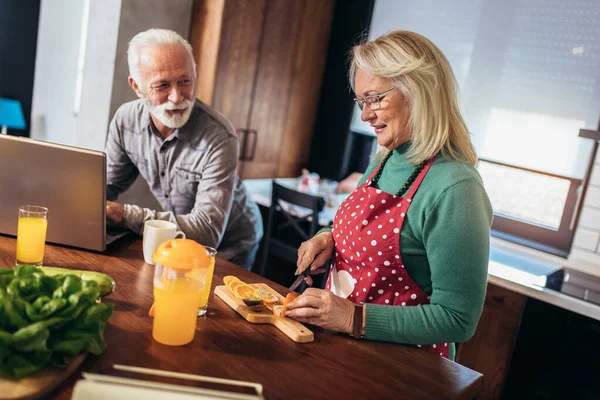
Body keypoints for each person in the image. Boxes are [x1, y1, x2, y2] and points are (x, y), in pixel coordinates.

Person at [286, 31, 493, 360]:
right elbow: (363, 233)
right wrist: (328, 239)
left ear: (419, 90)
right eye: (361, 102)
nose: (365, 115)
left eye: (374, 98)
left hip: (404, 370)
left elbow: (458, 320)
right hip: (343, 351)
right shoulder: (385, 159)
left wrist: (354, 317)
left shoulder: (456, 188)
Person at [105, 29, 262, 270]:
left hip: (230, 243)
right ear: (137, 86)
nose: (177, 97)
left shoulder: (220, 136)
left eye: (185, 81)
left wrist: (124, 214)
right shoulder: (126, 120)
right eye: (162, 86)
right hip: (180, 236)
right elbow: (105, 186)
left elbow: (207, 231)